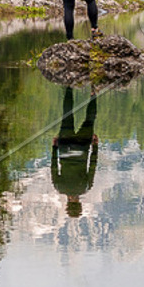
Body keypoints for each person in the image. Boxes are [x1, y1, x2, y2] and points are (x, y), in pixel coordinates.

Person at [51, 86, 99, 216]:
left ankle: (93, 92)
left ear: (79, 204)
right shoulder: (59, 188)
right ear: (67, 204)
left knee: (90, 120)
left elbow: (92, 165)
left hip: (82, 147)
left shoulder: (86, 188)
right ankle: (69, 86)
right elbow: (54, 167)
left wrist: (95, 146)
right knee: (67, 115)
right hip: (65, 146)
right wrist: (54, 148)